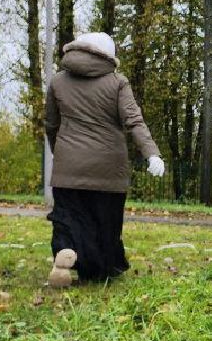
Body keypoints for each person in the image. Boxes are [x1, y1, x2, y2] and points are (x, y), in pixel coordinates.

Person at [43, 32, 164, 288]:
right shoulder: (117, 82)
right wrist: (151, 153)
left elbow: (51, 124)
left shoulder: (57, 82)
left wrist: (61, 152)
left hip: (69, 167)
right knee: (105, 223)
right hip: (108, 169)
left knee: (67, 217)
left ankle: (64, 255)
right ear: (108, 56)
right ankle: (99, 269)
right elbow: (133, 121)